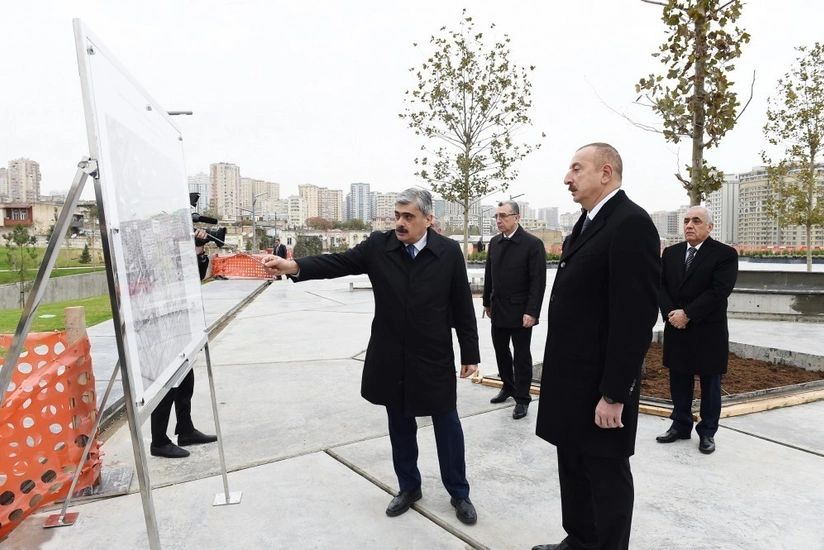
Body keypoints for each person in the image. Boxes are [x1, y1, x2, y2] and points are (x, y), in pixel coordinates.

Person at [262, 188, 481, 526]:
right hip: (391, 353)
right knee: (399, 422)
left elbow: (462, 306)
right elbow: (337, 262)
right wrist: (292, 265)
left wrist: (470, 352)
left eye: (408, 216)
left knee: (447, 424)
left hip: (433, 354)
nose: (400, 222)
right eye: (397, 215)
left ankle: (459, 492)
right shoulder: (380, 246)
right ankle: (409, 487)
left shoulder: (449, 252)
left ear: (428, 219)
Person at [533, 143, 661, 550]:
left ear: (606, 173)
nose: (567, 178)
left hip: (599, 386)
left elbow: (635, 317)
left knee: (606, 476)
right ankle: (580, 539)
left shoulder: (630, 224)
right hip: (571, 381)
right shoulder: (587, 223)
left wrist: (614, 393)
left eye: (576, 169)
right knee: (572, 465)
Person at [656, 206, 738, 455]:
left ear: (710, 227)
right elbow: (661, 287)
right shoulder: (671, 253)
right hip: (677, 327)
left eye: (696, 221)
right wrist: (673, 314)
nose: (689, 225)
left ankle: (708, 432)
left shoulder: (724, 254)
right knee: (678, 379)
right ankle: (680, 425)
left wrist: (688, 314)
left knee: (710, 383)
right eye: (686, 221)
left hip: (707, 329)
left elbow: (719, 291)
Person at [149, 228, 218, 458]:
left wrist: (197, 249)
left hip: (180, 318)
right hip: (160, 321)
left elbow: (194, 278)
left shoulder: (180, 251)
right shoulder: (156, 247)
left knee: (185, 379)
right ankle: (159, 440)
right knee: (168, 381)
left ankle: (185, 429)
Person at [483, 200, 546, 419]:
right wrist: (486, 303)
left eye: (503, 216)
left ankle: (522, 398)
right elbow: (489, 275)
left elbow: (538, 281)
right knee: (500, 351)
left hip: (521, 313)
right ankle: (508, 386)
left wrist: (532, 312)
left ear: (517, 218)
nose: (499, 220)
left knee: (521, 356)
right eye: (496, 217)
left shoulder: (532, 244)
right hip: (498, 308)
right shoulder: (495, 242)